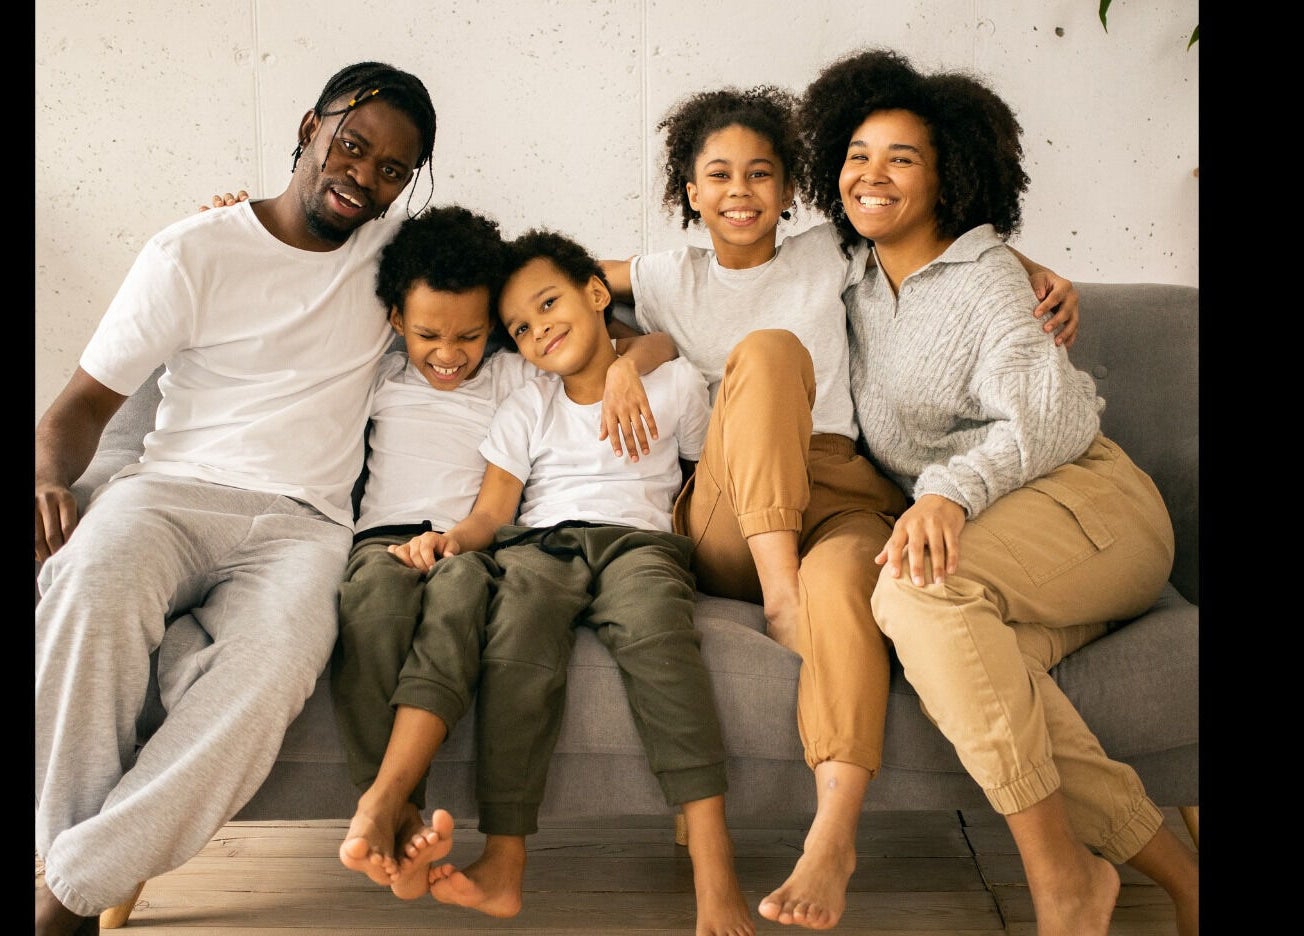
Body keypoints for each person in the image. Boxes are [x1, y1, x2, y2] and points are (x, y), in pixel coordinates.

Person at [600, 84, 1080, 930]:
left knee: (860, 576)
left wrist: (1032, 269)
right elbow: (543, 280)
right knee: (772, 352)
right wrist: (621, 359)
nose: (741, 191)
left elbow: (939, 251)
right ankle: (782, 594)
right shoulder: (664, 278)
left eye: (762, 174)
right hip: (730, 508)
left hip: (844, 492)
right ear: (690, 193)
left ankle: (836, 831)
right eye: (719, 176)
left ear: (792, 191)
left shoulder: (833, 252)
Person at [797, 48, 1199, 936]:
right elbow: (707, 268)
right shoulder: (846, 276)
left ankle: (1058, 877)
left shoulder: (986, 281)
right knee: (974, 659)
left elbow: (1050, 420)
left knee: (913, 589)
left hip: (1091, 506)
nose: (872, 173)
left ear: (949, 178)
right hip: (1011, 540)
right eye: (858, 153)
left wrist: (946, 494)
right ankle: (1177, 879)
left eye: (901, 157)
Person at [34, 61, 438, 936]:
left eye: (392, 169)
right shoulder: (194, 248)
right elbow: (81, 408)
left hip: (304, 528)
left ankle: (66, 892)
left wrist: (640, 349)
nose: (364, 176)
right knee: (86, 586)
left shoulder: (400, 260)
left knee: (275, 667)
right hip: (171, 495)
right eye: (352, 145)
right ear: (310, 125)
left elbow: (537, 286)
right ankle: (68, 863)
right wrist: (44, 477)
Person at [383, 228, 753, 936]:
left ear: (594, 294)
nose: (538, 329)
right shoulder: (528, 404)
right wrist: (450, 539)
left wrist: (633, 364)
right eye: (520, 326)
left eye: (549, 304)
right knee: (516, 648)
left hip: (642, 547)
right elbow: (495, 510)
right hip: (542, 546)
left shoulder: (671, 383)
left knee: (661, 645)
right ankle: (504, 860)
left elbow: (710, 483)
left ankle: (713, 859)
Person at [327, 204, 678, 898]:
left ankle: (386, 821)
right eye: (428, 334)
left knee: (459, 602)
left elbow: (654, 339)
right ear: (395, 320)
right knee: (371, 614)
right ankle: (396, 820)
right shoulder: (378, 374)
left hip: (471, 544)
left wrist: (625, 370)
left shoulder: (514, 376)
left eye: (471, 334)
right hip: (382, 541)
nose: (449, 354)